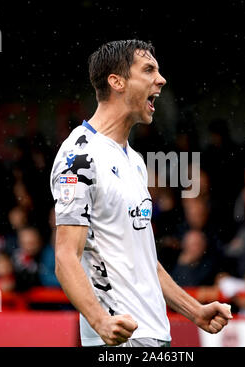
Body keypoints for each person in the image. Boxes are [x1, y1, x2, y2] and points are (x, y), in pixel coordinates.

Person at [51, 39, 232, 347]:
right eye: (148, 70)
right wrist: (101, 322)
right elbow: (66, 256)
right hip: (120, 341)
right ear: (116, 81)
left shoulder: (134, 161)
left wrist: (194, 311)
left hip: (155, 336)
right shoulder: (78, 158)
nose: (160, 79)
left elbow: (145, 259)